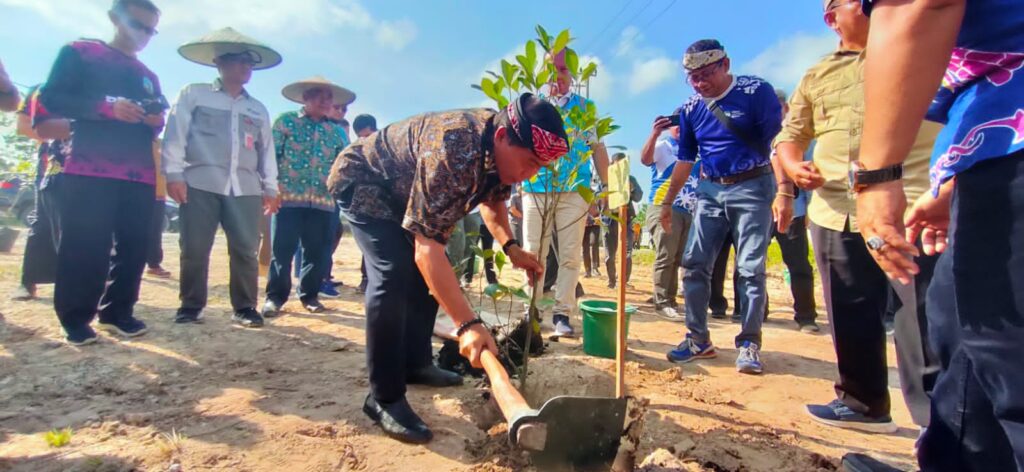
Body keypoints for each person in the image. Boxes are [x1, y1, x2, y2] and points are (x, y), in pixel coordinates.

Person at [327, 93, 556, 444]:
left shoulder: (502, 152)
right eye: (529, 162)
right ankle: (384, 397)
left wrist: (511, 248)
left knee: (430, 276)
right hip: (365, 182)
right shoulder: (455, 144)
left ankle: (416, 363)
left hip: (403, 194)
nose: (530, 174)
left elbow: (493, 203)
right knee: (393, 273)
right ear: (501, 138)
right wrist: (468, 325)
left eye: (539, 167)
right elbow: (426, 250)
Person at [854, 0, 1024, 469]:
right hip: (994, 149)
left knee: (1009, 353)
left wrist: (876, 176)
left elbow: (921, 4)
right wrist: (954, 185)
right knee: (959, 324)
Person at [775, 0, 942, 434]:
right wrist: (793, 168)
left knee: (922, 317)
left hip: (912, 201)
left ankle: (939, 425)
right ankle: (863, 402)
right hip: (835, 209)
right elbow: (791, 135)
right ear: (832, 17)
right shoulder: (817, 74)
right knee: (849, 309)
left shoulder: (921, 44)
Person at [40, 0, 165, 345]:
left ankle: (118, 311)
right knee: (86, 244)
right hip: (89, 165)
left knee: (134, 246)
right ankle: (76, 318)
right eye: (138, 25)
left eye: (150, 30)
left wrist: (155, 119)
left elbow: (157, 115)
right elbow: (52, 98)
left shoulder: (147, 75)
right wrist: (105, 108)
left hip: (138, 171)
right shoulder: (80, 53)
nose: (144, 35)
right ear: (115, 19)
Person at [661, 39, 784, 375]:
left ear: (725, 65)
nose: (700, 83)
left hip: (754, 185)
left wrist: (785, 190)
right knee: (694, 263)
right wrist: (667, 202)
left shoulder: (756, 91)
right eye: (692, 77)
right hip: (710, 190)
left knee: (749, 268)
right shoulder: (690, 109)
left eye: (705, 74)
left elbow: (778, 143)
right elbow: (685, 160)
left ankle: (749, 343)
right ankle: (697, 338)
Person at [162, 27, 281, 327]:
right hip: (200, 182)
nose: (245, 68)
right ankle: (190, 306)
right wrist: (174, 174)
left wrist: (270, 186)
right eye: (239, 61)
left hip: (246, 187)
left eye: (249, 64)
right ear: (220, 62)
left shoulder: (257, 108)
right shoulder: (194, 94)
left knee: (245, 249)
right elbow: (175, 135)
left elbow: (267, 152)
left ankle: (244, 307)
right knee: (194, 247)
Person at [521, 50, 610, 337]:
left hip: (574, 190)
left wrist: (606, 188)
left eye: (563, 69)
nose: (557, 76)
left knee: (571, 256)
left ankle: (562, 313)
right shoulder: (530, 106)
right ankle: (531, 312)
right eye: (551, 69)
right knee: (533, 254)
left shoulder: (586, 108)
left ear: (572, 73)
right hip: (535, 188)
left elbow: (598, 149)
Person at [262, 76, 352, 318]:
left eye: (329, 97)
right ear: (305, 98)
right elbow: (271, 157)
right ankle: (275, 298)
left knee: (318, 251)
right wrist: (271, 188)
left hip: (324, 202)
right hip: (287, 198)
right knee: (282, 250)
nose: (325, 101)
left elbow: (344, 165)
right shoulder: (286, 122)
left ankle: (309, 296)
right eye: (319, 95)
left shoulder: (337, 132)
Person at [11, 85, 70, 301]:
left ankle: (81, 286)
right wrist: (60, 135)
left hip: (93, 170)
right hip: (52, 166)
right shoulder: (42, 89)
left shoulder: (97, 91)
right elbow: (23, 125)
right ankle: (28, 282)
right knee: (42, 222)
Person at [769, 88, 819, 333]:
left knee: (798, 263)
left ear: (786, 109)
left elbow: (811, 173)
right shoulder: (756, 135)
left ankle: (806, 316)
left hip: (794, 211)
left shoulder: (802, 139)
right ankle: (754, 312)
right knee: (749, 264)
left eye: (776, 107)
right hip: (758, 211)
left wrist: (809, 208)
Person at [641, 113, 691, 321]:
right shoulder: (663, 145)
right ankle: (662, 301)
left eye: (683, 123)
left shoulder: (692, 149)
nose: (679, 127)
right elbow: (645, 159)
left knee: (679, 258)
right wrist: (654, 134)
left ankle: (669, 299)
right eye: (675, 123)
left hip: (688, 210)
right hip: (663, 206)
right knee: (666, 255)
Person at [602, 154, 642, 289]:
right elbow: (598, 197)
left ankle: (624, 282)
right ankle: (612, 281)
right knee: (610, 255)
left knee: (627, 254)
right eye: (616, 164)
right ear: (611, 164)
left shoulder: (631, 179)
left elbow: (638, 197)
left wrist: (632, 189)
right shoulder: (606, 179)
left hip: (626, 220)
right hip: (609, 221)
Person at [352, 114, 377, 294]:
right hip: (363, 205)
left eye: (368, 135)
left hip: (384, 205)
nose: (365, 140)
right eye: (361, 136)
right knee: (367, 245)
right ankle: (365, 279)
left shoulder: (385, 148)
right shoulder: (354, 152)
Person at [146, 140, 170, 279]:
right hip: (140, 190)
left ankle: (154, 264)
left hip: (159, 194)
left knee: (155, 231)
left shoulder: (162, 143)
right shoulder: (139, 140)